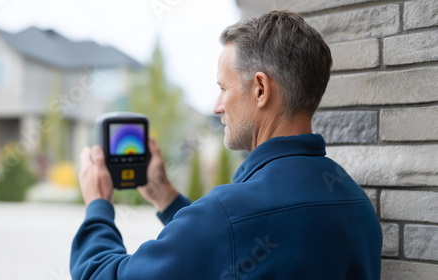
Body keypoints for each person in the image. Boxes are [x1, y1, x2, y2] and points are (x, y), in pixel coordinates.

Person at [70, 10, 382, 280]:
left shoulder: (229, 215)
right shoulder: (355, 202)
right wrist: (165, 196)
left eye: (223, 88)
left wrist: (98, 206)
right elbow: (229, 245)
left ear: (260, 89)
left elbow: (101, 274)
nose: (217, 106)